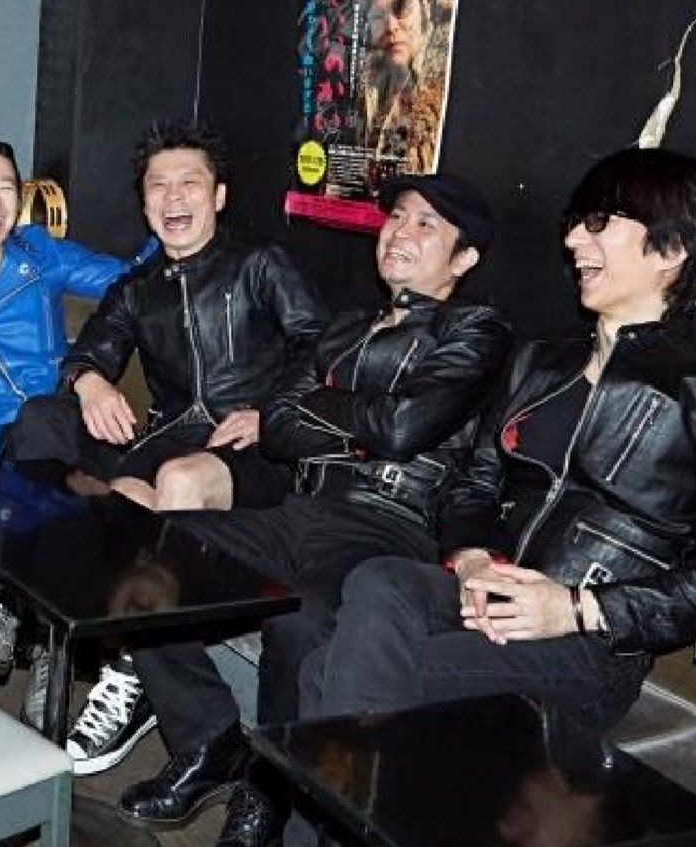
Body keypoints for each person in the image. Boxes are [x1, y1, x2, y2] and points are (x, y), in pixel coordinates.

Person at [289, 147, 696, 846]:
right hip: (491, 594)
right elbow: (475, 483)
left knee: (330, 672)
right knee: (379, 582)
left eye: (599, 223)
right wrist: (472, 557)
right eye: (578, 222)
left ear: (671, 250)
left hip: (588, 644)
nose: (573, 240)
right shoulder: (542, 359)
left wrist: (578, 607)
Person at [115, 173, 512, 847]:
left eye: (426, 225)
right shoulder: (347, 326)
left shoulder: (476, 330)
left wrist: (324, 409)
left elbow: (405, 428)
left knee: (298, 617)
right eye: (398, 217)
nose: (401, 233)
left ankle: (269, 786)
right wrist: (357, 422)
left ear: (464, 257)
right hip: (302, 508)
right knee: (147, 551)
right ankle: (211, 740)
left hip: (389, 527)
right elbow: (276, 426)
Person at [7, 117, 327, 774]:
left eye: (190, 183)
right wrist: (91, 380)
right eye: (159, 185)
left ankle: (134, 668)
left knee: (176, 482)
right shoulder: (136, 288)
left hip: (260, 452)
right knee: (120, 493)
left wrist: (269, 413)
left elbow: (320, 350)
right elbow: (89, 351)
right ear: (144, 201)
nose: (174, 198)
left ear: (219, 196)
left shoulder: (260, 264)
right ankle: (99, 649)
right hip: (173, 439)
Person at [0, 137, 133, 681]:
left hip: (67, 428)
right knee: (13, 455)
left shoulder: (39, 254)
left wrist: (181, 236)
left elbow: (131, 282)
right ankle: (49, 655)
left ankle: (9, 604)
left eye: (6, 189)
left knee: (39, 418)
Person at [359, 0, 449, 178]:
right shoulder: (366, 88)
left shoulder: (446, 71)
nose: (391, 26)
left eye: (402, 7)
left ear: (425, 7)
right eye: (379, 16)